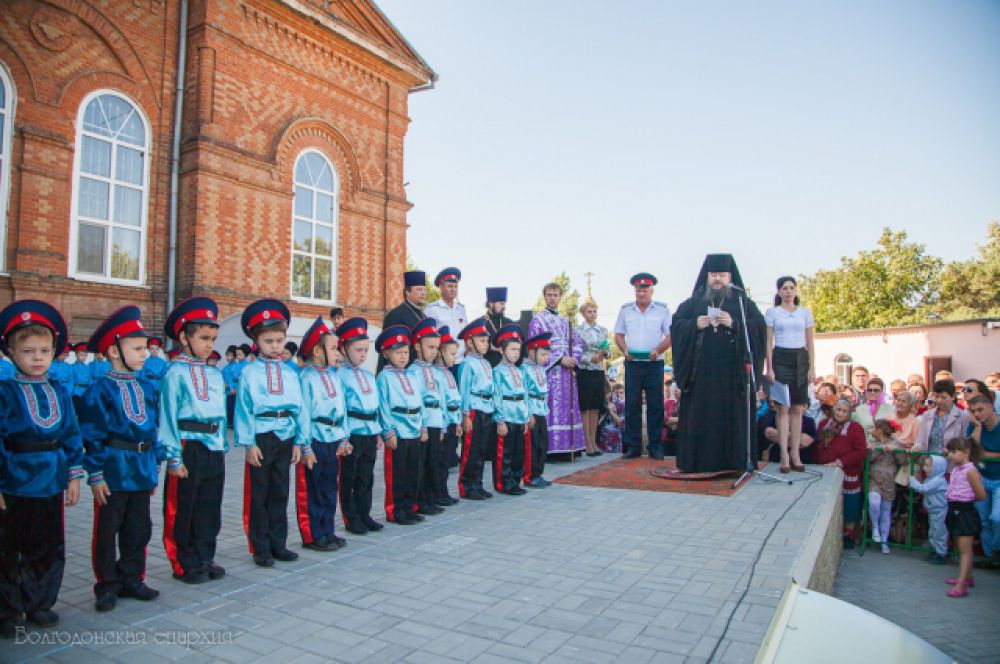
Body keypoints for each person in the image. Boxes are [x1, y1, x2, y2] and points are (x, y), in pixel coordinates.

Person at [0, 300, 82, 637]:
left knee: (48, 545)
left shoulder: (59, 391)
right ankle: (8, 609)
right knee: (8, 548)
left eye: (44, 351)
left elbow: (72, 434)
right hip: (15, 481)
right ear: (11, 353)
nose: (37, 357)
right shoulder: (5, 392)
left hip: (51, 479)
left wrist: (74, 475)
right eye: (28, 350)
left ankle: (39, 602)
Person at [79, 306, 161, 612]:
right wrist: (96, 474)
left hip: (140, 467)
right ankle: (107, 584)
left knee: (139, 527)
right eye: (137, 349)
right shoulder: (99, 391)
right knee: (107, 529)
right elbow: (92, 435)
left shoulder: (148, 387)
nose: (144, 354)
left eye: (145, 348)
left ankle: (132, 578)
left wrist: (153, 465)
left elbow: (153, 428)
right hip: (114, 468)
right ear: (114, 350)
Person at [672, 255, 766, 473]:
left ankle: (735, 462)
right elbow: (676, 325)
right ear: (707, 276)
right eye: (714, 275)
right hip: (701, 375)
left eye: (722, 275)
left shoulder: (742, 303)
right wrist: (693, 324)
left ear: (730, 277)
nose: (717, 280)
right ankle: (697, 463)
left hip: (732, 375)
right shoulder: (694, 303)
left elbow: (759, 328)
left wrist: (735, 324)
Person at [234, 299, 308, 567]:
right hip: (262, 436)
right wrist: (249, 443)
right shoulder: (249, 373)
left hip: (286, 434)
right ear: (257, 341)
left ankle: (279, 544)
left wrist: (300, 440)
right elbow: (243, 409)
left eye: (279, 340)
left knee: (280, 491)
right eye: (269, 341)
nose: (275, 346)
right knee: (260, 492)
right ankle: (260, 546)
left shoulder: (291, 373)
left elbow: (299, 407)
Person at [159, 297, 227, 585]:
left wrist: (222, 444)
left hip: (213, 445)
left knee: (209, 505)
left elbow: (222, 413)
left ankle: (204, 556)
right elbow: (168, 416)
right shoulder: (175, 373)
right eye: (203, 338)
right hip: (188, 445)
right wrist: (174, 457)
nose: (209, 344)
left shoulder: (213, 373)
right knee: (183, 506)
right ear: (185, 339)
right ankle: (182, 561)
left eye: (213, 338)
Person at [295, 317, 351, 552]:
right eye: (332, 348)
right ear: (317, 351)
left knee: (329, 487)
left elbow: (342, 409)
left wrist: (344, 437)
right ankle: (313, 534)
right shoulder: (307, 378)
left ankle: (328, 530)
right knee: (313, 489)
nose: (337, 353)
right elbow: (303, 413)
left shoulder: (333, 376)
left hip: (333, 438)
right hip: (316, 438)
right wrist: (305, 446)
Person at [613, 273, 672, 460]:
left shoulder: (662, 310)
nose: (642, 293)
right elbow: (618, 334)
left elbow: (671, 336)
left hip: (654, 363)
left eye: (645, 289)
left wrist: (658, 349)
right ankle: (633, 446)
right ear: (635, 291)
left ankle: (655, 446)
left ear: (651, 290)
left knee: (655, 405)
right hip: (633, 363)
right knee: (632, 406)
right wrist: (624, 350)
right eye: (639, 289)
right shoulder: (626, 310)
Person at [335, 318, 383, 535]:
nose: (363, 355)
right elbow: (340, 408)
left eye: (365, 350)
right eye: (358, 350)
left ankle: (365, 513)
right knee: (349, 477)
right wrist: (343, 438)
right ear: (344, 348)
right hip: (352, 432)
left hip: (370, 431)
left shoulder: (368, 375)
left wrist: (379, 430)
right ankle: (351, 517)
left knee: (366, 475)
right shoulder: (339, 375)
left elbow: (376, 405)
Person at [376, 325, 428, 525]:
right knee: (397, 473)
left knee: (413, 472)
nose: (403, 357)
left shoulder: (412, 375)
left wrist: (423, 426)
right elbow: (383, 405)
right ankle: (395, 510)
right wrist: (388, 431)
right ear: (387, 353)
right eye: (398, 352)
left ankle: (410, 507)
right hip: (398, 429)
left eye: (406, 352)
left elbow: (419, 401)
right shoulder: (384, 377)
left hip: (414, 429)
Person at [764, 276, 815, 472]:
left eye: (791, 288)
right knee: (782, 408)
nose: (788, 291)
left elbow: (810, 342)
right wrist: (770, 368)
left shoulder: (805, 312)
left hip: (800, 358)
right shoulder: (772, 312)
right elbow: (769, 342)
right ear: (779, 292)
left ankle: (796, 453)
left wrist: (811, 367)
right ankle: (784, 455)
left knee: (797, 408)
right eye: (784, 288)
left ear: (796, 291)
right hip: (781, 357)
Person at [529, 283, 586, 456]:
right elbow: (534, 348)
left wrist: (573, 359)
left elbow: (577, 342)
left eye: (555, 294)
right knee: (551, 409)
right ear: (544, 297)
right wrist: (559, 359)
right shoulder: (538, 320)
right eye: (549, 295)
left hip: (567, 374)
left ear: (560, 297)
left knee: (568, 409)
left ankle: (569, 447)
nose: (552, 298)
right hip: (550, 374)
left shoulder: (566, 321)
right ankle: (551, 448)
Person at [814, 398, 868, 549]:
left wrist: (839, 462)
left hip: (846, 471)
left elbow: (861, 451)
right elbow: (818, 445)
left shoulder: (855, 428)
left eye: (844, 411)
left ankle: (848, 535)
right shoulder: (824, 425)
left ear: (849, 413)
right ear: (833, 410)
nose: (841, 413)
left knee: (849, 504)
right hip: (825, 470)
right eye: (838, 410)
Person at [407, 318, 447, 516]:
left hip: (436, 420)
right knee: (421, 464)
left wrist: (443, 424)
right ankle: (420, 501)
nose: (433, 352)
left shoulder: (436, 372)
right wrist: (422, 425)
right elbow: (417, 400)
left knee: (434, 462)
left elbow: (442, 399)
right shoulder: (413, 371)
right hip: (423, 423)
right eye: (429, 347)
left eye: (436, 348)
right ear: (417, 346)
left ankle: (431, 498)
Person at [457, 318, 495, 499]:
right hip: (473, 409)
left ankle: (477, 483)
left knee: (481, 450)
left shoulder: (486, 363)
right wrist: (465, 415)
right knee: (470, 450)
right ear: (469, 342)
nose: (486, 344)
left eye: (487, 341)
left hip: (486, 408)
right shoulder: (467, 363)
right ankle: (466, 485)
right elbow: (464, 390)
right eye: (482, 341)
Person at [943, 437, 986, 597]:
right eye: (949, 452)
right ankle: (967, 577)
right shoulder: (957, 469)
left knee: (964, 548)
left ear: (966, 452)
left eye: (954, 452)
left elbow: (981, 495)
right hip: (954, 508)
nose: (950, 456)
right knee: (961, 546)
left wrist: (965, 496)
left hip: (965, 511)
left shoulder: (971, 471)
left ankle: (962, 584)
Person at [491, 324, 529, 495]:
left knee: (518, 453)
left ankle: (515, 480)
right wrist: (500, 420)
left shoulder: (520, 371)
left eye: (518, 350)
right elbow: (497, 395)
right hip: (507, 415)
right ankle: (504, 483)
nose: (516, 353)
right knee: (504, 453)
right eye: (512, 349)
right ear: (502, 350)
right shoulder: (497, 371)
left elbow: (525, 394)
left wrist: (527, 417)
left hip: (520, 415)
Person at [967, 395, 1000, 562]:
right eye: (973, 411)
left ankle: (996, 550)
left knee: (997, 518)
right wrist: (978, 427)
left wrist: (983, 454)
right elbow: (971, 452)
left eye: (980, 410)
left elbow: (977, 454)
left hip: (999, 480)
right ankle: (989, 558)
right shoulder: (973, 426)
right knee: (983, 520)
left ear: (991, 407)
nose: (977, 414)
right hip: (981, 478)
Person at [433, 326, 462, 500]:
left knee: (448, 459)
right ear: (440, 353)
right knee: (440, 460)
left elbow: (455, 399)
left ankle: (443, 492)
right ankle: (437, 493)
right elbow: (441, 403)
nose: (454, 358)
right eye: (451, 354)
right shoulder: (436, 374)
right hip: (442, 422)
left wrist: (457, 421)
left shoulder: (449, 374)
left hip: (452, 420)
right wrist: (444, 426)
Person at [577, 300, 610, 457]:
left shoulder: (603, 330)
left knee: (596, 407)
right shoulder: (577, 330)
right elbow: (576, 352)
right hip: (584, 371)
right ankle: (586, 442)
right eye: (589, 312)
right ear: (583, 313)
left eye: (594, 311)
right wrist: (591, 359)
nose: (592, 314)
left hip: (598, 372)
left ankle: (594, 442)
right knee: (586, 407)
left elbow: (607, 349)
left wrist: (604, 354)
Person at [378, 271, 426, 372]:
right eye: (419, 289)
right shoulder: (395, 315)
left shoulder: (424, 316)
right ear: (407, 292)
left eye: (424, 290)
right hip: (402, 370)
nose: (423, 293)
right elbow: (388, 347)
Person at [521, 332, 553, 487]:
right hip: (532, 410)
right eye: (543, 354)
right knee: (531, 445)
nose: (545, 358)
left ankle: (538, 473)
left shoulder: (541, 369)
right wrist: (528, 413)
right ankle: (529, 476)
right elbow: (524, 392)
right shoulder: (524, 369)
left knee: (542, 443)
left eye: (547, 354)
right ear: (531, 352)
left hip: (541, 409)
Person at [867, 419, 900, 554]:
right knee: (874, 501)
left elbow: (902, 460)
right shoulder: (873, 444)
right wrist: (876, 449)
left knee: (886, 510)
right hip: (874, 478)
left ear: (880, 430)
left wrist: (896, 449)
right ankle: (875, 527)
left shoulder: (896, 444)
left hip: (889, 480)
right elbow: (869, 458)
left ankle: (884, 541)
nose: (872, 431)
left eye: (874, 428)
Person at [909, 455, 949, 565]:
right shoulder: (931, 479)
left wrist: (912, 481)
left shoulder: (938, 480)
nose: (924, 468)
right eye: (924, 465)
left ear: (937, 467)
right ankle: (935, 551)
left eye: (928, 466)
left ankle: (941, 554)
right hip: (933, 510)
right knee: (933, 532)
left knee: (939, 532)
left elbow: (923, 488)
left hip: (940, 511)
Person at [424, 268, 469, 362]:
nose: (453, 289)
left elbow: (466, 334)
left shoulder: (461, 309)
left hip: (461, 360)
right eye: (450, 286)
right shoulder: (432, 309)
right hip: (442, 361)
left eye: (456, 286)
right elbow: (428, 337)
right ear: (441, 287)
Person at [915, 379, 971, 453]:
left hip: (952, 460)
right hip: (929, 459)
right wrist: (917, 447)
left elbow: (965, 441)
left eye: (943, 397)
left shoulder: (963, 416)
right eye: (936, 397)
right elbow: (920, 439)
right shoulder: (927, 415)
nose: (939, 400)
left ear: (953, 397)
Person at [851, 377, 895, 443]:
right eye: (869, 390)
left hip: (885, 447)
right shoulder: (859, 410)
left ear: (882, 392)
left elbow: (895, 432)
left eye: (876, 390)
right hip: (865, 446)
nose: (872, 392)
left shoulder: (891, 409)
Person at [483, 287, 515, 367]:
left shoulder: (510, 324)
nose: (504, 307)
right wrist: (490, 347)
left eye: (504, 303)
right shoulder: (481, 323)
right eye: (501, 303)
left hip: (508, 369)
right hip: (489, 368)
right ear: (491, 304)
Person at [599, 382, 625, 454]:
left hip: (615, 439)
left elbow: (621, 423)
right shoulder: (603, 403)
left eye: (621, 393)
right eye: (616, 393)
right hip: (602, 438)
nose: (618, 395)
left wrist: (612, 412)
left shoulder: (622, 405)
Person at [70, 341, 92, 412]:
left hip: (86, 391)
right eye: (82, 355)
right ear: (76, 354)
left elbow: (90, 379)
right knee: (76, 409)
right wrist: (71, 392)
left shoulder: (88, 367)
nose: (84, 357)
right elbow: (71, 380)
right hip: (76, 392)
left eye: (85, 355)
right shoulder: (72, 367)